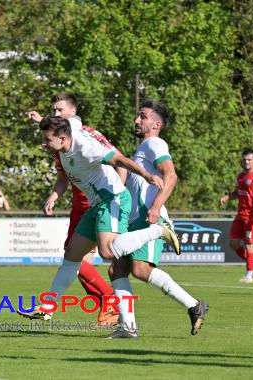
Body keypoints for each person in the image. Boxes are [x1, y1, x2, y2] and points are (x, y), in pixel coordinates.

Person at [17, 115, 180, 321]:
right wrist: (41, 119)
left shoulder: (86, 148)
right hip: (97, 204)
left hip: (113, 199)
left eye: (48, 139)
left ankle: (160, 230)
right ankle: (48, 307)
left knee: (107, 251)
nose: (44, 143)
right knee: (71, 257)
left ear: (63, 138)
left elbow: (119, 159)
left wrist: (147, 176)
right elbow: (73, 117)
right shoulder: (69, 129)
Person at [107, 100, 208, 338]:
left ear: (156, 124)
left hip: (149, 218)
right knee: (117, 270)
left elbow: (171, 175)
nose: (137, 120)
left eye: (142, 116)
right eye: (137, 116)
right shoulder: (142, 149)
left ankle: (194, 306)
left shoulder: (154, 142)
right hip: (134, 219)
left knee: (141, 270)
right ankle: (128, 328)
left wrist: (155, 207)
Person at [28, 93, 120, 325]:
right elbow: (62, 179)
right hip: (79, 205)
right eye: (53, 111)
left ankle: (110, 300)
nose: (55, 114)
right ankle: (108, 305)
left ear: (73, 111)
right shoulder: (58, 143)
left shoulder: (85, 136)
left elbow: (117, 158)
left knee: (79, 260)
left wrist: (119, 191)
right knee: (76, 261)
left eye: (60, 110)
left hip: (95, 202)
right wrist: (53, 196)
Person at [219, 148, 253, 283]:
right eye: (245, 159)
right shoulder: (241, 176)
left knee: (249, 245)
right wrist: (227, 197)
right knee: (233, 244)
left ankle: (249, 275)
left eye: (249, 160)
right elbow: (238, 192)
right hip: (240, 216)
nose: (246, 162)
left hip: (251, 218)